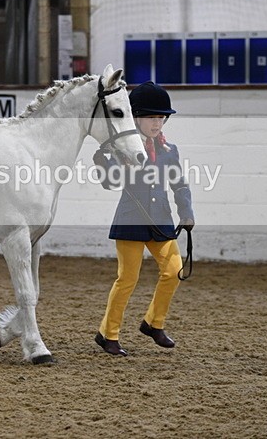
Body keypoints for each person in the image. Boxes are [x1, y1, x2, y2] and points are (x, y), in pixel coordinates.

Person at [94, 81, 195, 357]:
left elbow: (180, 184)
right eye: (152, 117)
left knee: (174, 270)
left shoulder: (169, 150)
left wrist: (186, 212)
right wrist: (106, 163)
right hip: (131, 220)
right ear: (135, 117)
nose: (157, 123)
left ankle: (153, 323)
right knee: (127, 279)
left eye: (161, 118)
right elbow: (111, 183)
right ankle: (108, 333)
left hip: (161, 219)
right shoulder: (123, 149)